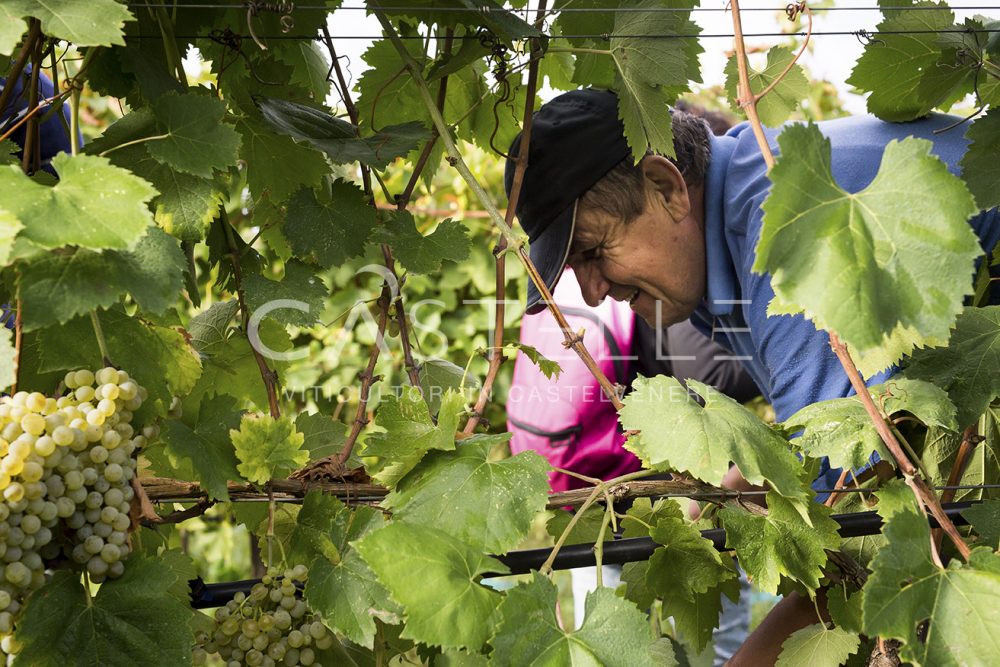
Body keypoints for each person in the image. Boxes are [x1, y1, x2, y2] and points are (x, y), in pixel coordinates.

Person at [503, 88, 1000, 664]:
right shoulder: (717, 256)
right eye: (571, 268)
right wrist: (715, 505)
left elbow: (861, 540)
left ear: (666, 188)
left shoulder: (782, 235)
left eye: (592, 251)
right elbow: (817, 440)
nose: (591, 291)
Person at [507, 265, 758, 665]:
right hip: (659, 482)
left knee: (607, 630)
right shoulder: (665, 272)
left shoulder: (557, 268)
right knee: (712, 635)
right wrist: (769, 353)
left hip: (585, 485)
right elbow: (711, 376)